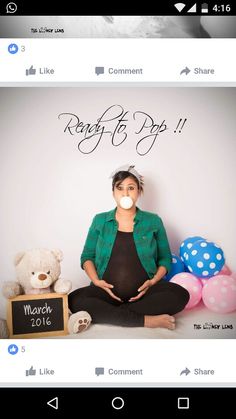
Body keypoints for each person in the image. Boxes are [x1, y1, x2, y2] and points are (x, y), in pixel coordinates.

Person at [68, 164, 189, 333]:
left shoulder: (153, 221)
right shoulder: (100, 220)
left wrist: (153, 281)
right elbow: (87, 256)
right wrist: (96, 281)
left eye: (131, 188)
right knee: (73, 300)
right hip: (106, 293)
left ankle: (112, 315)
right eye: (120, 188)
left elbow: (165, 259)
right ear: (113, 193)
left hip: (146, 293)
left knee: (181, 296)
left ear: (139, 192)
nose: (125, 193)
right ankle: (146, 320)